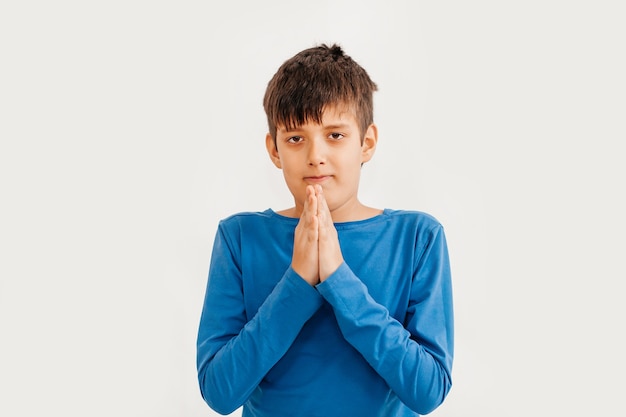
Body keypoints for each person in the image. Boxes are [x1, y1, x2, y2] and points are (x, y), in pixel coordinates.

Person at [196, 43, 454, 417]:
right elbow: (219, 393)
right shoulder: (239, 238)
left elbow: (428, 390)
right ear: (274, 150)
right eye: (296, 138)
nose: (316, 155)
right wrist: (298, 280)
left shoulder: (418, 238)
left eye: (335, 135)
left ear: (366, 143)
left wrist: (337, 278)